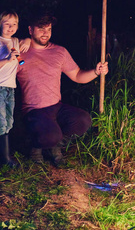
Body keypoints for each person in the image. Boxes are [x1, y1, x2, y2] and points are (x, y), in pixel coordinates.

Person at [16, 14, 108, 165]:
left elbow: (78, 76)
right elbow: (4, 49)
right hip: (33, 111)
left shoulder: (59, 52)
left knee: (83, 120)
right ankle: (36, 145)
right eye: (41, 29)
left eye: (49, 29)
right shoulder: (19, 51)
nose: (46, 33)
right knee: (51, 135)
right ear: (30, 30)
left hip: (56, 107)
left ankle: (54, 146)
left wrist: (96, 72)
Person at [0, 10, 30, 167]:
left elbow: (20, 61)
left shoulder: (16, 41)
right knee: (1, 122)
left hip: (11, 87)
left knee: (9, 122)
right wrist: (6, 60)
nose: (11, 27)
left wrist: (28, 40)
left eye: (14, 24)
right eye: (7, 24)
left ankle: (5, 155)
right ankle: (4, 160)